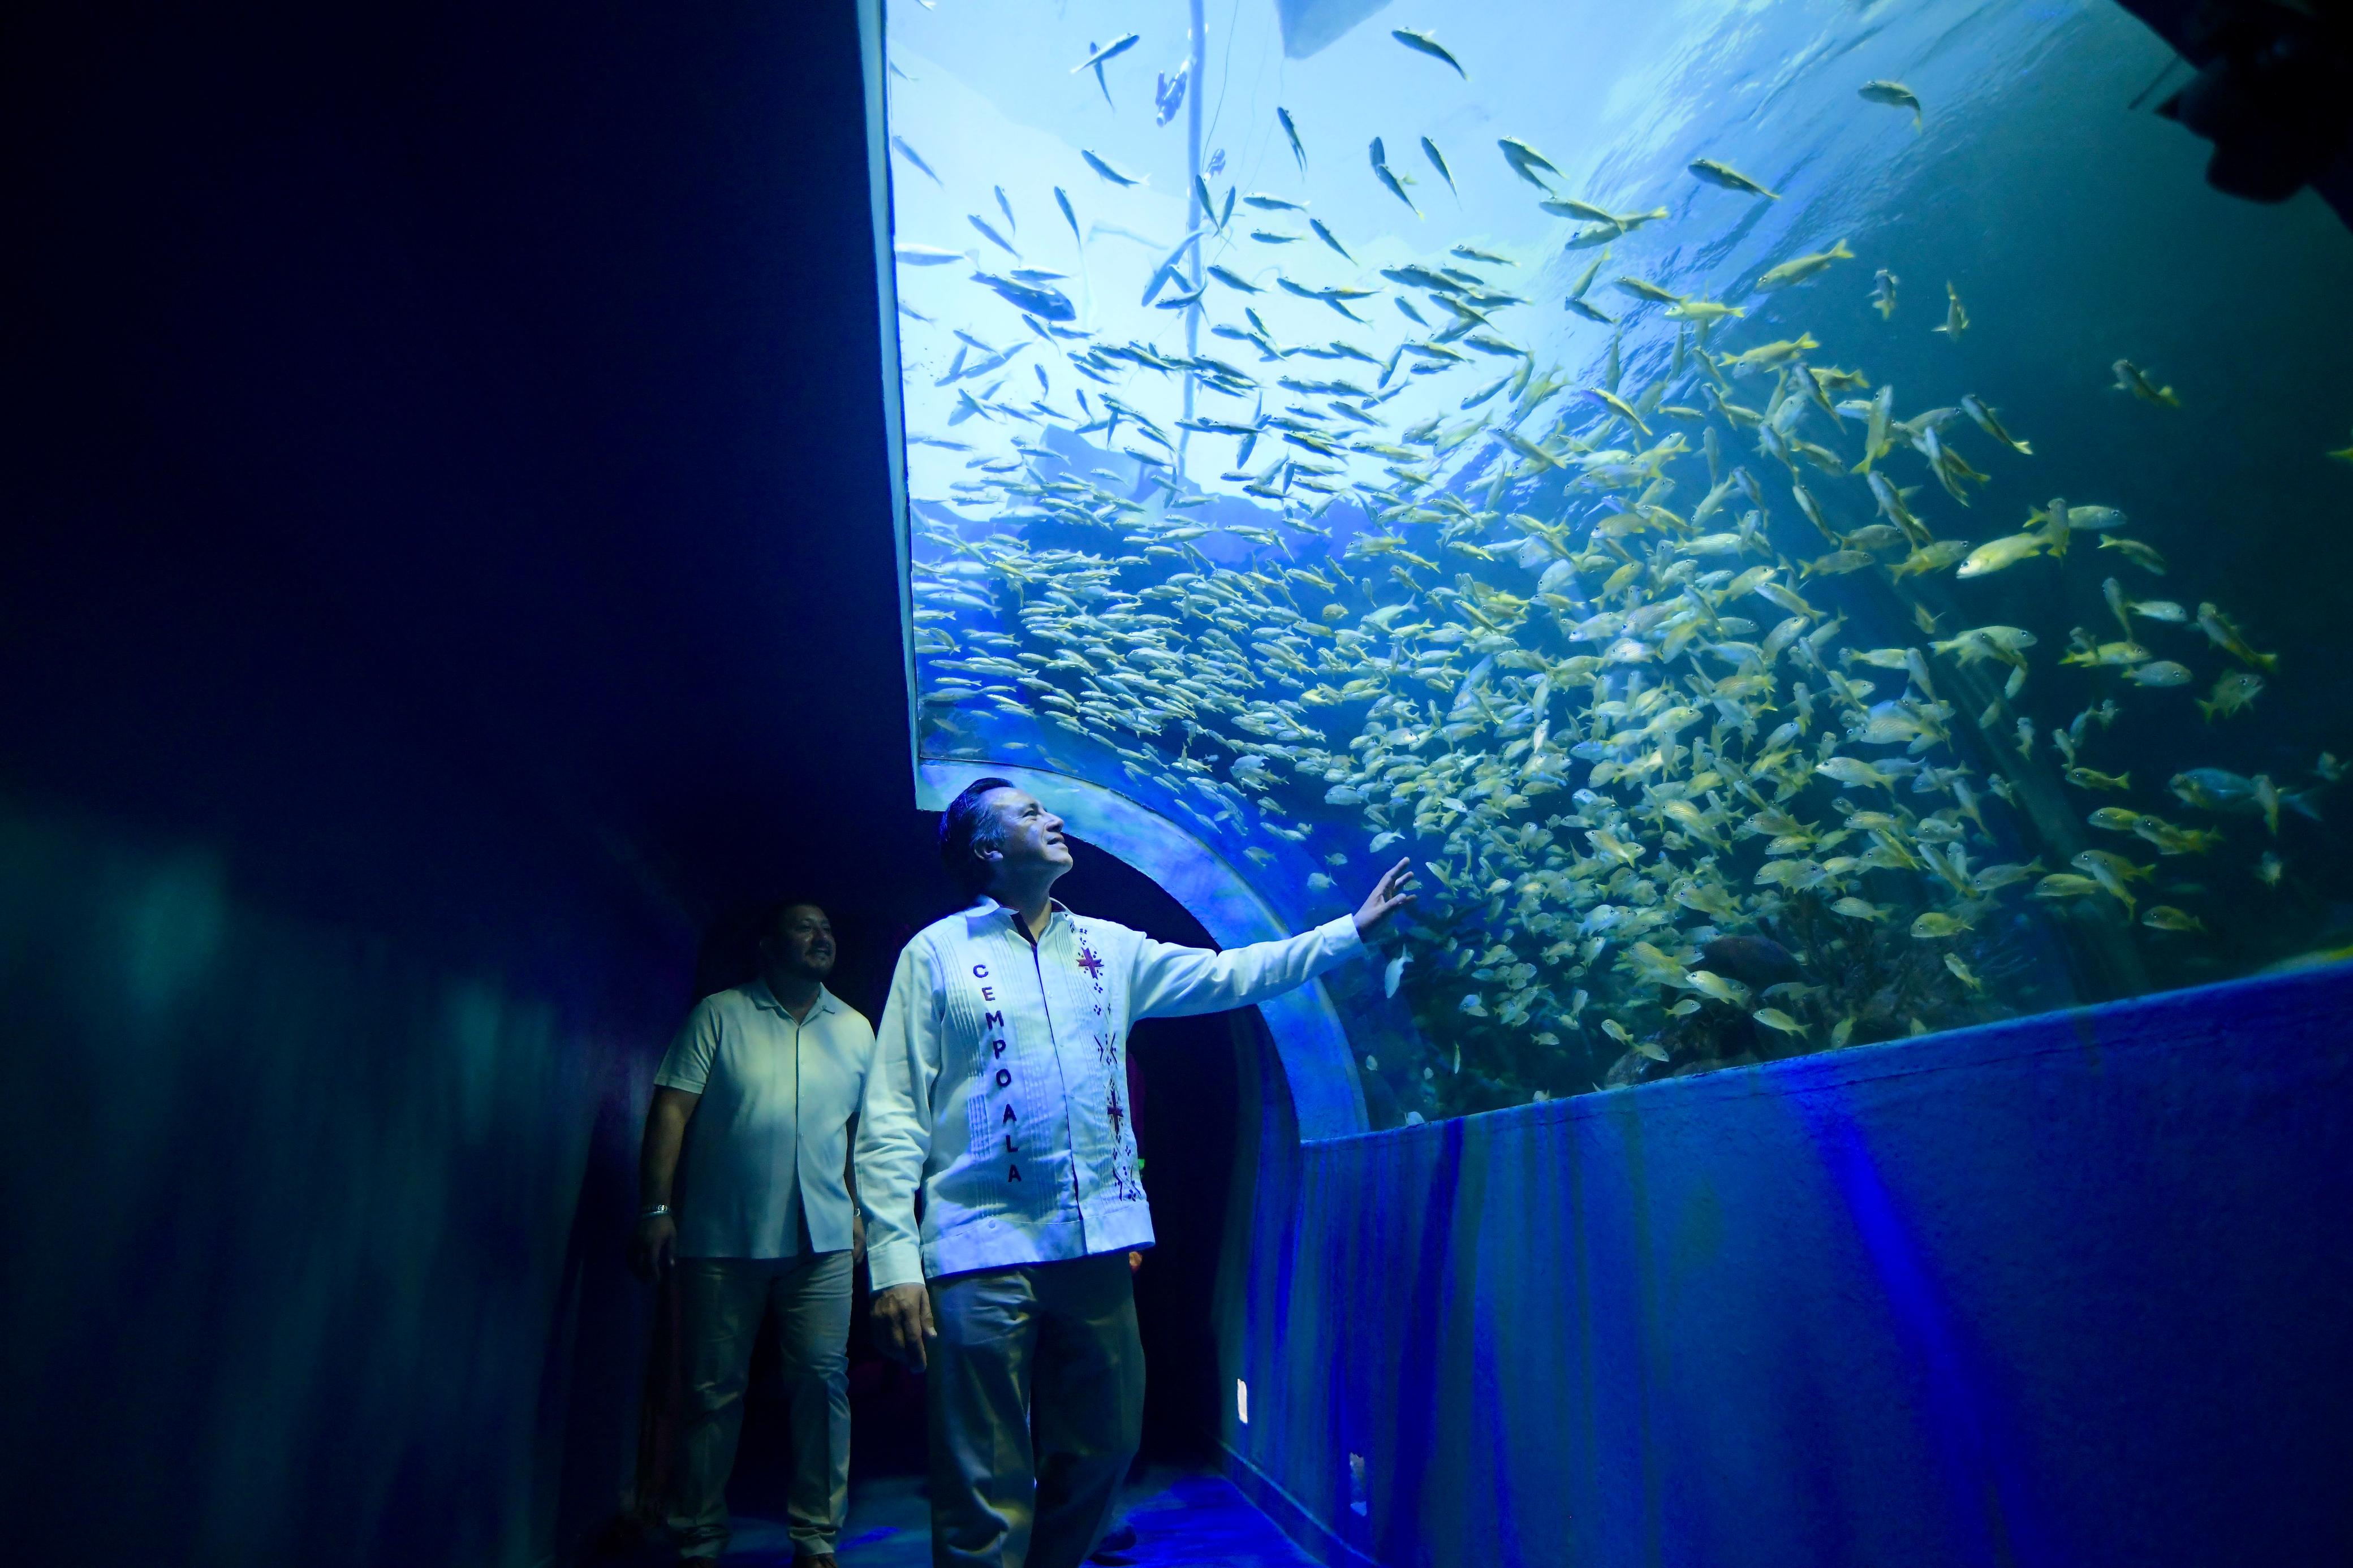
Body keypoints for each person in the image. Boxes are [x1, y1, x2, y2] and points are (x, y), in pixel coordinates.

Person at [856, 780, 1413, 1568]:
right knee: (981, 1477)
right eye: (1027, 813)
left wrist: (1347, 933)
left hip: (1096, 1247)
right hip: (977, 1250)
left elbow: (1234, 975)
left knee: (1107, 1446)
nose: (1053, 818)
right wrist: (893, 1261)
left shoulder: (1110, 951)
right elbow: (891, 1115)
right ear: (987, 849)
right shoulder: (936, 954)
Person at [631, 902, 875, 1567]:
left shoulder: (855, 1028)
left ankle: (817, 1538)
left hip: (821, 1238)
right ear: (768, 945)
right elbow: (671, 1108)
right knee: (711, 1390)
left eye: (827, 926)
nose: (821, 935)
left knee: (823, 1386)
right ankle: (698, 1535)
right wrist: (655, 1208)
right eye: (803, 926)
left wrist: (858, 1208)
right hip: (720, 1235)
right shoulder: (719, 1013)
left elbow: (862, 1132)